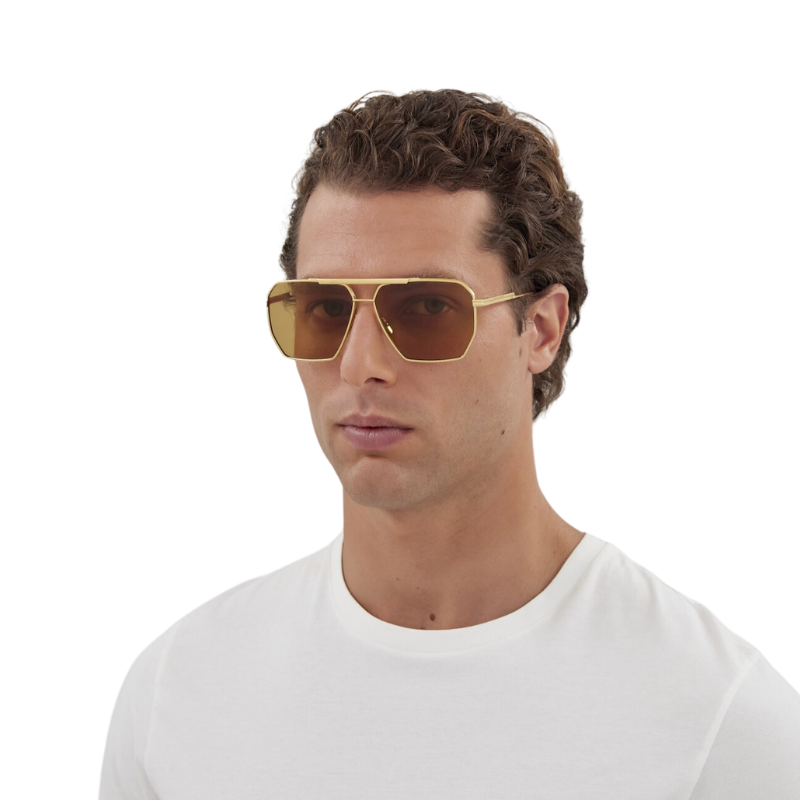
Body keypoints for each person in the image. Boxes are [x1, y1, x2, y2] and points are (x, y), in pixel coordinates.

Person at [99, 89, 800, 799]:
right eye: (325, 310)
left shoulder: (719, 726)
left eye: (428, 308)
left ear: (541, 329)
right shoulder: (178, 699)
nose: (359, 364)